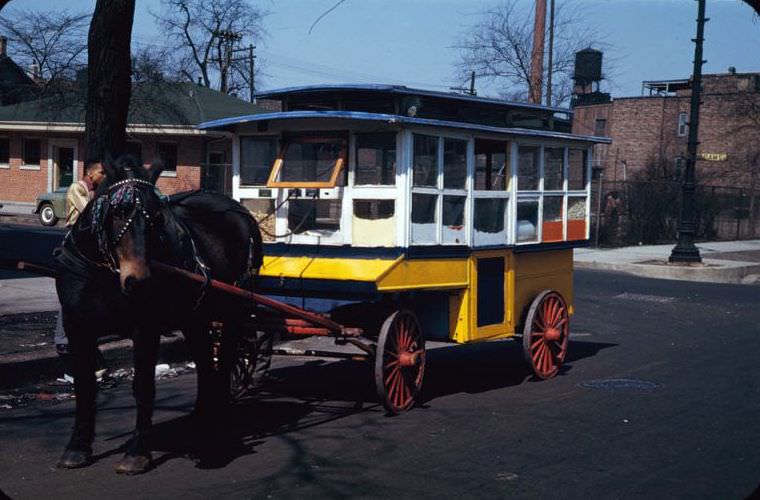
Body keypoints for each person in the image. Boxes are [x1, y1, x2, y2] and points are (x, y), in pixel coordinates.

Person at [54, 158, 106, 383]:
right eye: (101, 172)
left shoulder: (95, 191)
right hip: (76, 239)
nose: (103, 176)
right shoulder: (77, 188)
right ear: (91, 173)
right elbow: (88, 211)